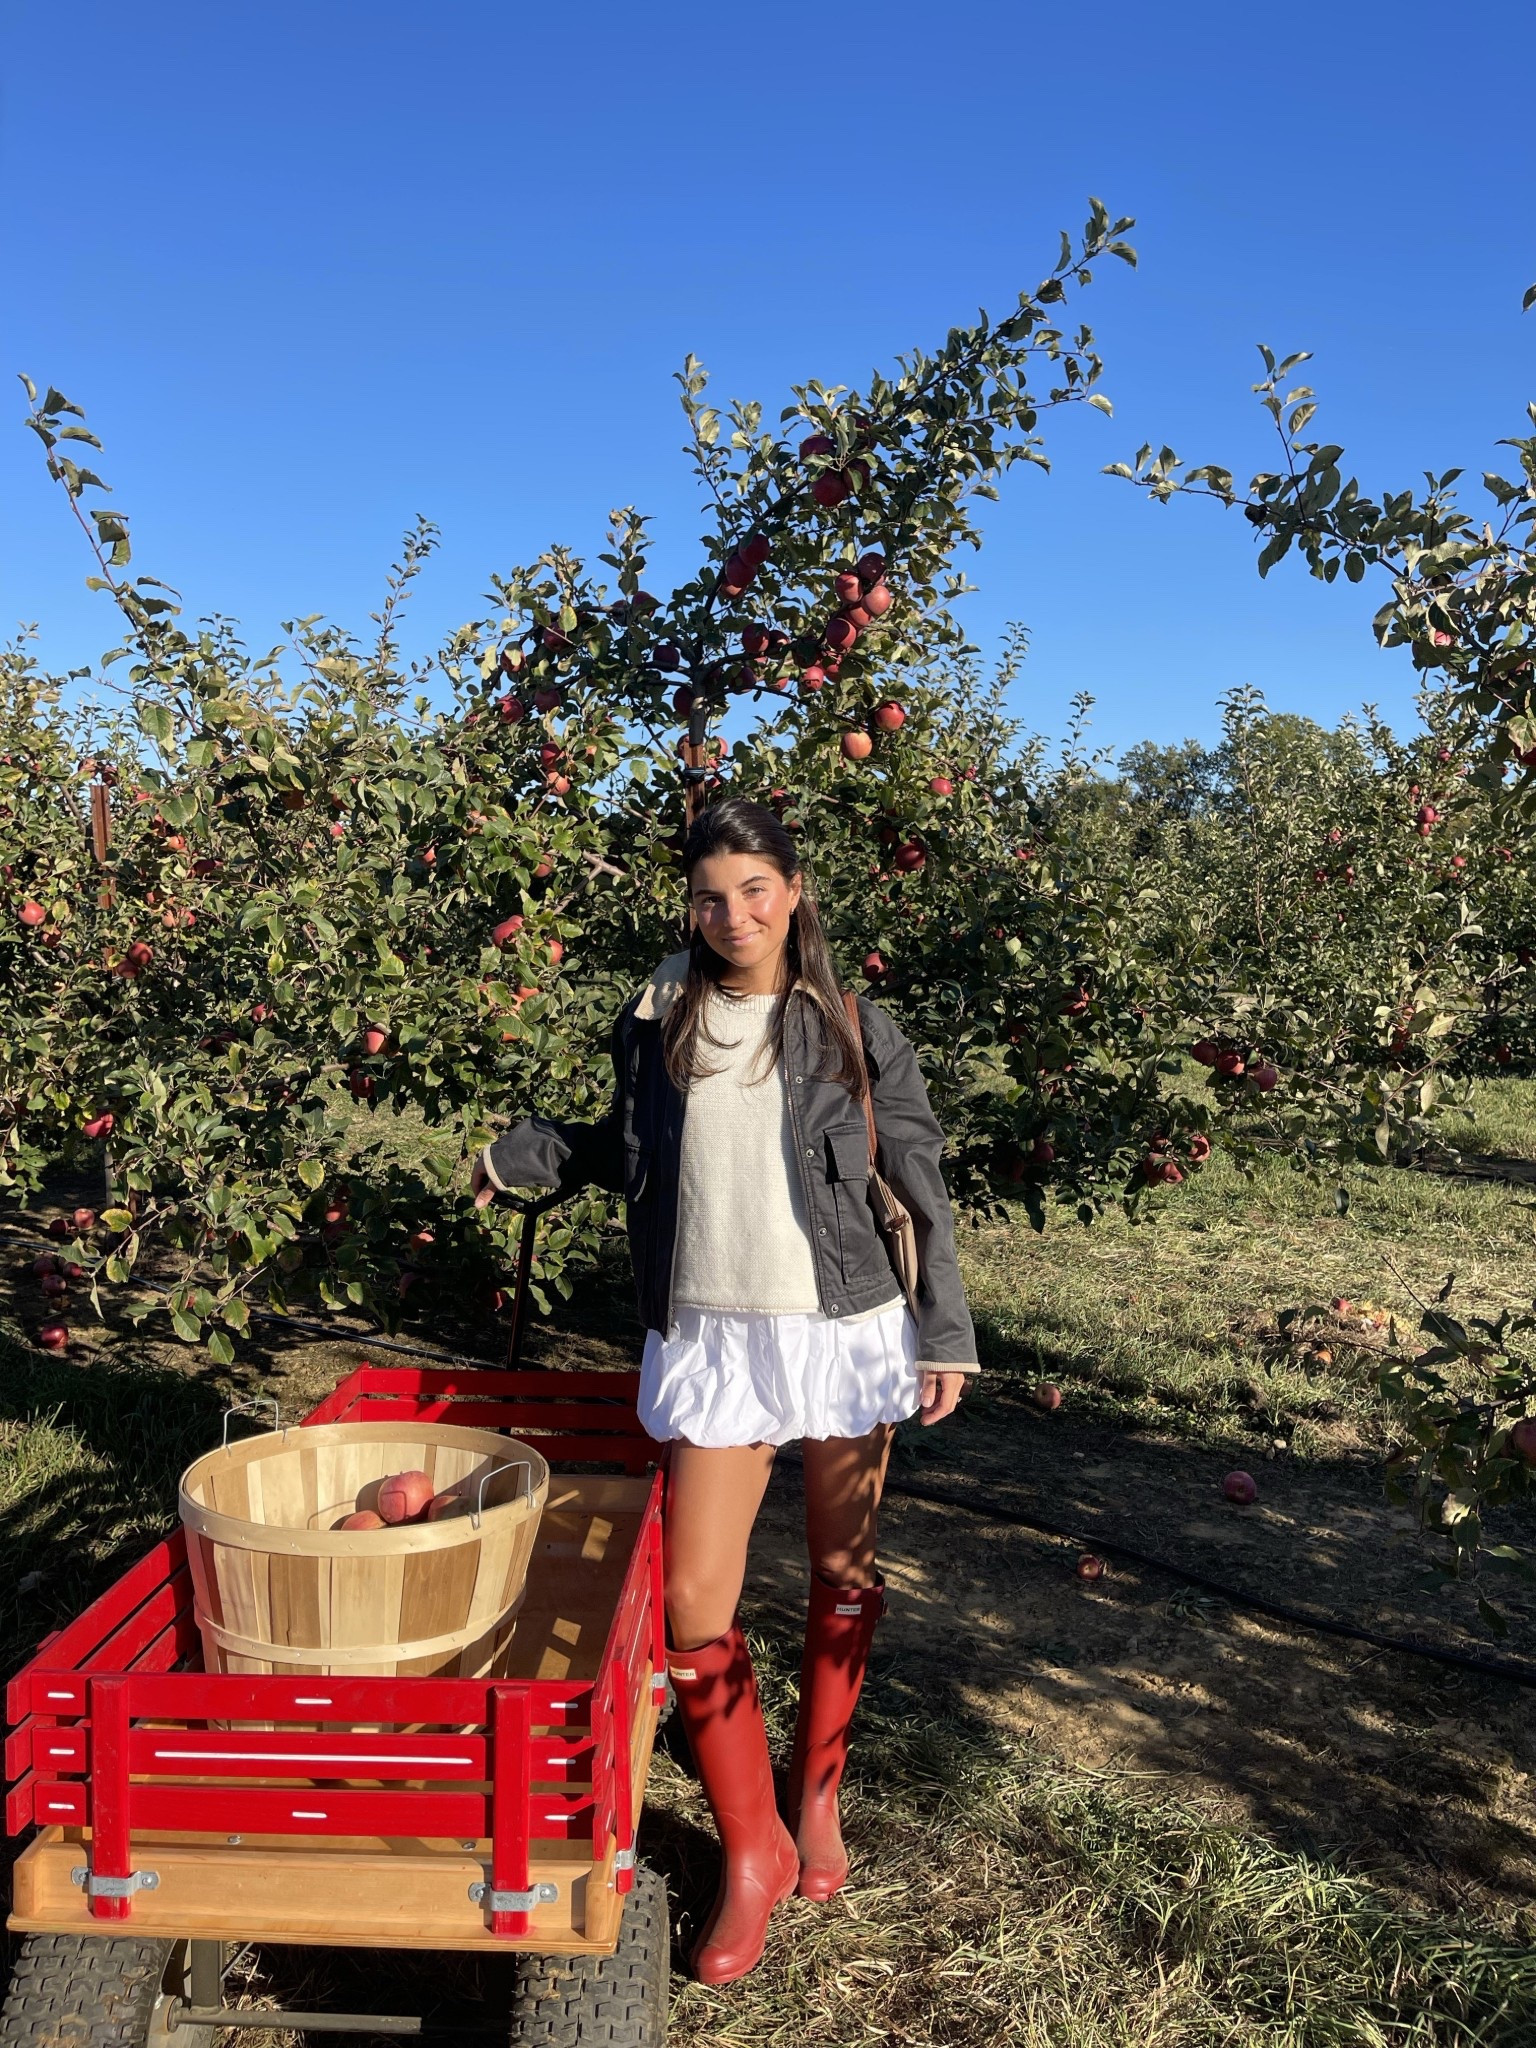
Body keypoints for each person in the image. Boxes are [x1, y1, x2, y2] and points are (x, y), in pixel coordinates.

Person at [471, 797, 979, 1985]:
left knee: (843, 1572)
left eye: (756, 888)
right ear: (688, 905)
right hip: (710, 1330)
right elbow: (625, 1140)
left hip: (843, 1328)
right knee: (696, 1605)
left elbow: (917, 1174)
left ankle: (815, 1804)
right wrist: (527, 1152)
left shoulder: (852, 1024)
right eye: (711, 895)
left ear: (794, 890)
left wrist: (942, 1327)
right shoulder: (660, 1015)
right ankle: (749, 1847)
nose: (734, 913)